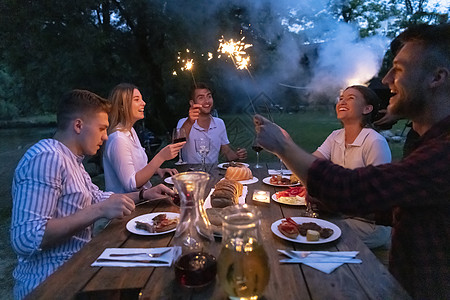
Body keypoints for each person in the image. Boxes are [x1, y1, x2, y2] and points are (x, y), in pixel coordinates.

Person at [254, 23, 450, 299]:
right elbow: (398, 203)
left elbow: (355, 189)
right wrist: (335, 205)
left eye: (400, 69)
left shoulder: (444, 152)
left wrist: (284, 146)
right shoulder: (429, 142)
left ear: (437, 78)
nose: (386, 80)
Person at [10, 90, 174, 299]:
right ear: (78, 125)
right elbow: (26, 238)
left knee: (164, 261)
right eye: (102, 129)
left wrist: (144, 195)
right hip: (50, 284)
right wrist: (97, 211)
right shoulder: (46, 158)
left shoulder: (72, 161)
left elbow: (98, 197)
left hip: (80, 268)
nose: (106, 137)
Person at [313, 85, 392, 249]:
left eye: (351, 98)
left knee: (316, 235)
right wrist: (284, 146)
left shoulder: (374, 142)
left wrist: (333, 203)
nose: (342, 101)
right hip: (340, 216)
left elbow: (379, 200)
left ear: (367, 108)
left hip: (370, 225)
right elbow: (312, 163)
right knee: (305, 225)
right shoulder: (336, 136)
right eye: (341, 98)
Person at [103, 83, 185, 193]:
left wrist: (158, 170)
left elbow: (136, 167)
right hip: (131, 207)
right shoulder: (118, 140)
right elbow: (132, 184)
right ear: (122, 106)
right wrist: (161, 157)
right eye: (137, 100)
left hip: (144, 198)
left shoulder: (130, 131)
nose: (144, 103)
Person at [177, 82, 247, 164]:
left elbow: (226, 151)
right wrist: (190, 122)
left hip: (213, 173)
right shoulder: (184, 122)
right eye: (201, 98)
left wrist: (238, 155)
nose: (207, 101)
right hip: (191, 174)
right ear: (192, 103)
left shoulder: (219, 123)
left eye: (209, 96)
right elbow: (177, 145)